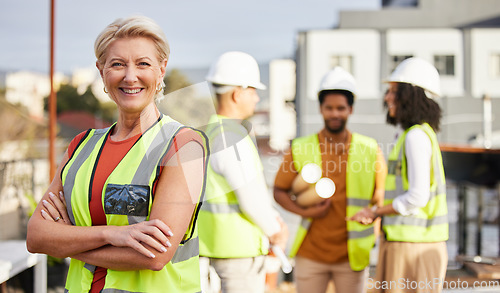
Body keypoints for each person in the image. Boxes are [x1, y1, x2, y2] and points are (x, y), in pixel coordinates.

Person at [26, 15, 209, 293]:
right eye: (117, 64)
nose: (130, 76)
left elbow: (155, 255)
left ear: (162, 70)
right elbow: (37, 237)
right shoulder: (81, 147)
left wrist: (67, 241)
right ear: (101, 71)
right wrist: (112, 234)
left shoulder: (181, 146)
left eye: (143, 64)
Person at [273, 67, 386, 293]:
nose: (335, 114)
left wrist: (373, 231)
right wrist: (306, 212)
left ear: (350, 109)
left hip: (352, 255)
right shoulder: (300, 147)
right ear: (321, 109)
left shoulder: (370, 150)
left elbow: (379, 200)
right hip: (311, 254)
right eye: (329, 108)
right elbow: (279, 190)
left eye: (341, 108)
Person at [354, 57, 448, 293]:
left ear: (412, 95)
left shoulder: (415, 137)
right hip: (408, 242)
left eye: (394, 91)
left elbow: (417, 197)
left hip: (413, 247)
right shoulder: (412, 135)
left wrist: (376, 212)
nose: (387, 98)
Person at [198, 51, 288, 293]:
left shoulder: (211, 131)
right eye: (253, 91)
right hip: (238, 254)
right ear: (238, 93)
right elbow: (251, 200)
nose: (257, 98)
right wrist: (276, 231)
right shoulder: (233, 137)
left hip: (213, 248)